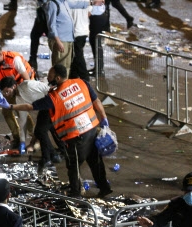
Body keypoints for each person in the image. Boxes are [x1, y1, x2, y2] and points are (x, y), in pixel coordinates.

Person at [6, 64, 112, 198]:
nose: (48, 78)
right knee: (95, 162)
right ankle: (104, 188)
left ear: (57, 77)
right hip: (92, 130)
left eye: (50, 76)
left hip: (76, 137)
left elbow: (30, 106)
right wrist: (104, 118)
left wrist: (11, 106)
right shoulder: (81, 83)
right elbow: (96, 101)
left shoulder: (54, 97)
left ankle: (75, 195)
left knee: (73, 166)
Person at [0, 76, 61, 171]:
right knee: (42, 130)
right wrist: (23, 141)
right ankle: (53, 155)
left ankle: (50, 157)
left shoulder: (28, 85)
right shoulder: (18, 100)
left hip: (51, 102)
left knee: (41, 130)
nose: (6, 95)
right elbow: (23, 121)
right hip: (43, 108)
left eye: (7, 91)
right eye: (4, 93)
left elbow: (47, 89)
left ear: (14, 86)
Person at [0, 44, 36, 152]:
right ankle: (16, 137)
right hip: (8, 88)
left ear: (1, 54)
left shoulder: (14, 59)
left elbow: (26, 78)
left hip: (22, 85)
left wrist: (26, 94)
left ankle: (35, 137)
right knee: (6, 111)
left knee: (22, 113)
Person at [44, 0, 89, 74]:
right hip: (61, 41)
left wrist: (92, 3)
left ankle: (64, 85)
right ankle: (57, 85)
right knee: (60, 68)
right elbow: (51, 26)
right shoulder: (53, 4)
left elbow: (77, 4)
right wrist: (58, 41)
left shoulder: (64, 2)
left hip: (69, 39)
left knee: (67, 67)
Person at [88, 0, 108, 77]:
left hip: (98, 17)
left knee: (96, 43)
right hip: (96, 16)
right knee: (94, 42)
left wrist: (90, 4)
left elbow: (98, 1)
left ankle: (99, 70)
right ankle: (97, 68)